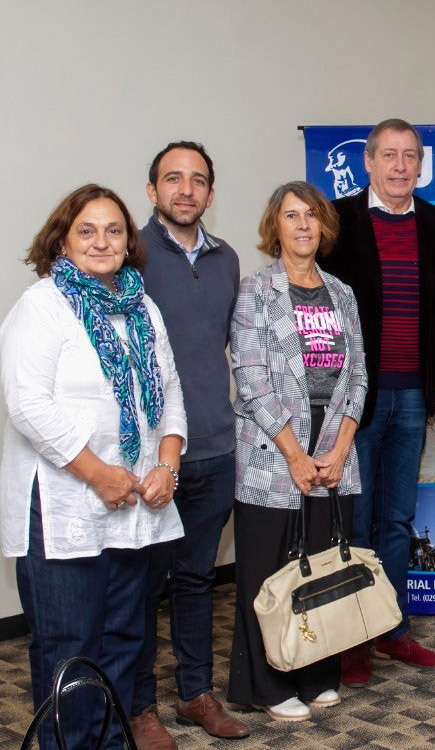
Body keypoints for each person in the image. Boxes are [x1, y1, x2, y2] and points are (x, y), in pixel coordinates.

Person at [0, 184, 187, 750]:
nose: (102, 241)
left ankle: (109, 740)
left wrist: (167, 464)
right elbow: (26, 404)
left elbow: (171, 391)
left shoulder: (142, 305)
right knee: (70, 644)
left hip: (134, 503)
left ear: (130, 242)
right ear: (62, 238)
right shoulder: (43, 304)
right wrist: (97, 473)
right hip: (65, 505)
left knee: (125, 634)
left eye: (114, 230)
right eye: (87, 229)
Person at [318, 118, 435, 686]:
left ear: (420, 165)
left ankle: (391, 629)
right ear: (370, 164)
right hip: (358, 400)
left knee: (399, 518)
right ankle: (353, 638)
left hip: (413, 397)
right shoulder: (338, 220)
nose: (401, 166)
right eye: (390, 156)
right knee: (355, 517)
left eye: (410, 157)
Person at [227, 182, 367, 721]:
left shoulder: (342, 293)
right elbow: (252, 376)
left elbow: (357, 375)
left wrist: (339, 446)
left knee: (323, 568)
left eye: (312, 215)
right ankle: (266, 683)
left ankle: (316, 675)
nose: (303, 225)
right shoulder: (255, 289)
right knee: (269, 574)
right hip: (273, 455)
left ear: (324, 226)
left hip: (334, 456)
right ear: (275, 227)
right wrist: (295, 454)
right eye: (292, 216)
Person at [131, 141, 247, 748]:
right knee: (144, 587)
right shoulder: (130, 257)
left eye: (198, 180)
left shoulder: (227, 260)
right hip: (152, 460)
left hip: (215, 448)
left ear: (209, 193)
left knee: (197, 580)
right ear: (152, 191)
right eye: (172, 179)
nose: (185, 189)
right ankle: (139, 704)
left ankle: (195, 693)